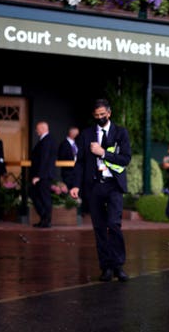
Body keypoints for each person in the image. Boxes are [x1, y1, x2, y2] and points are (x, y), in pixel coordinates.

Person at [70, 99, 132, 282]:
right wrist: (75, 185)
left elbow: (125, 159)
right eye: (96, 116)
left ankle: (118, 266)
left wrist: (103, 153)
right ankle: (105, 267)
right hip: (94, 186)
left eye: (102, 115)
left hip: (113, 185)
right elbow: (80, 162)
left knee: (113, 224)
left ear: (109, 113)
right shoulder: (86, 134)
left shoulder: (120, 133)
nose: (99, 118)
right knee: (99, 228)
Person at [30, 121, 57, 228]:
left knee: (43, 198)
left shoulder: (47, 141)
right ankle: (44, 219)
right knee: (37, 196)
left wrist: (38, 176)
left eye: (37, 128)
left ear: (42, 128)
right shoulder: (46, 140)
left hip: (43, 176)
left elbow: (44, 160)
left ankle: (46, 220)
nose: (36, 131)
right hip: (43, 175)